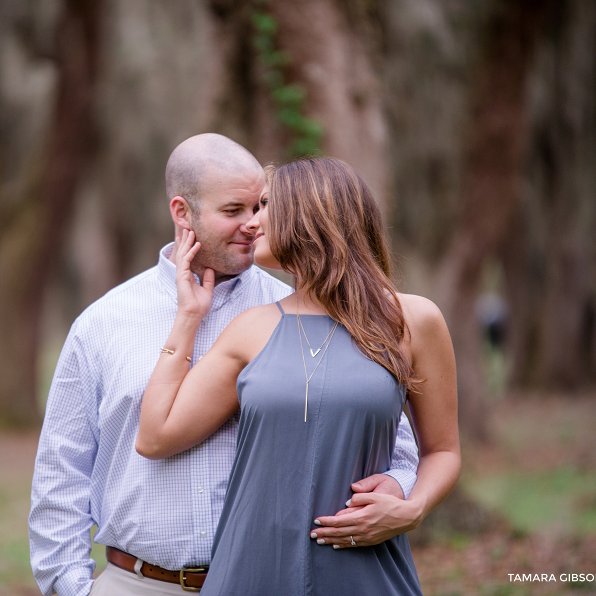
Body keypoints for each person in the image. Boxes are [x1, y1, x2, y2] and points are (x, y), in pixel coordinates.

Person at [29, 135, 422, 596]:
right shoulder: (104, 323)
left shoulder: (307, 313)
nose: (254, 224)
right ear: (182, 212)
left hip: (270, 580)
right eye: (234, 211)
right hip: (136, 583)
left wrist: (396, 490)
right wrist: (74, 589)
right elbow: (63, 471)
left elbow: (393, 442)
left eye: (261, 207)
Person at [135, 156, 461, 595]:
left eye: (265, 204)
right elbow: (156, 436)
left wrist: (413, 507)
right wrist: (188, 317)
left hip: (363, 571)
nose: (252, 221)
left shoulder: (413, 320)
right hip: (251, 572)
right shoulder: (251, 328)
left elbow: (442, 450)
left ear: (313, 214)